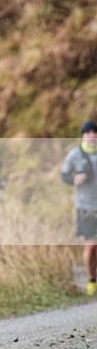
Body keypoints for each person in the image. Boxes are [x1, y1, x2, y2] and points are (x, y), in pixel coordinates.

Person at [62, 120, 97, 296]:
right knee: (91, 246)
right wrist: (74, 179)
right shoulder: (75, 155)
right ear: (83, 136)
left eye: (94, 132)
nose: (92, 136)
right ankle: (91, 280)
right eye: (88, 133)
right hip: (85, 206)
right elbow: (64, 175)